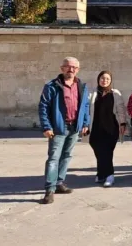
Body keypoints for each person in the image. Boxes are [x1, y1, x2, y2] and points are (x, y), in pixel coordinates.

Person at [38, 57, 90, 204]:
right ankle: (50, 189)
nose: (71, 69)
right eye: (68, 67)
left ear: (78, 70)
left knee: (66, 156)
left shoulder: (81, 86)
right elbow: (43, 107)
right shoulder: (52, 86)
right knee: (54, 158)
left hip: (74, 127)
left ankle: (59, 182)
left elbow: (85, 106)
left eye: (74, 67)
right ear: (62, 68)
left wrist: (85, 123)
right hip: (58, 128)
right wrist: (46, 126)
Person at [85, 71, 126, 187]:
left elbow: (121, 109)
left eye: (107, 79)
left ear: (110, 81)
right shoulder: (92, 93)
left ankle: (110, 175)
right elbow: (86, 109)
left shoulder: (115, 93)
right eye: (102, 78)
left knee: (107, 153)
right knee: (98, 152)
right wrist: (85, 124)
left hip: (111, 128)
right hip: (95, 128)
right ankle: (101, 173)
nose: (105, 80)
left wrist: (123, 123)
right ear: (98, 79)